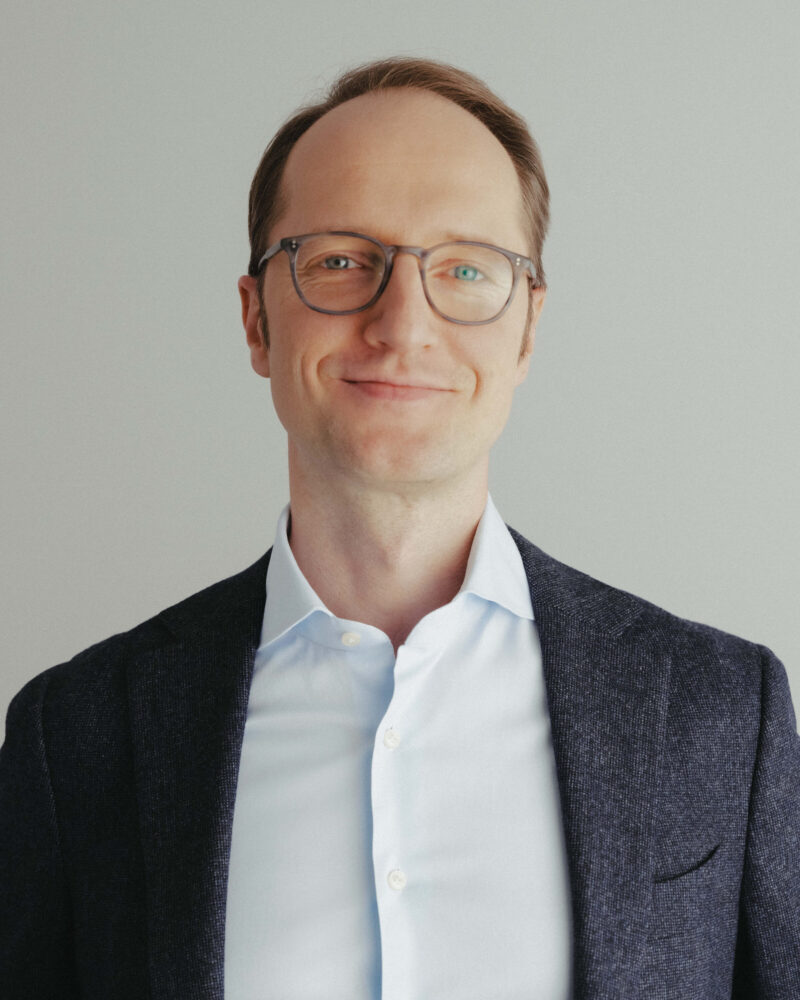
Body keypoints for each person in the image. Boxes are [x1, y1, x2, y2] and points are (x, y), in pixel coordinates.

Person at [1, 57, 798, 1000]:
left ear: (527, 329)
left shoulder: (720, 711)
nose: (403, 324)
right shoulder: (75, 735)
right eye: (341, 260)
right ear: (257, 320)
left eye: (465, 268)